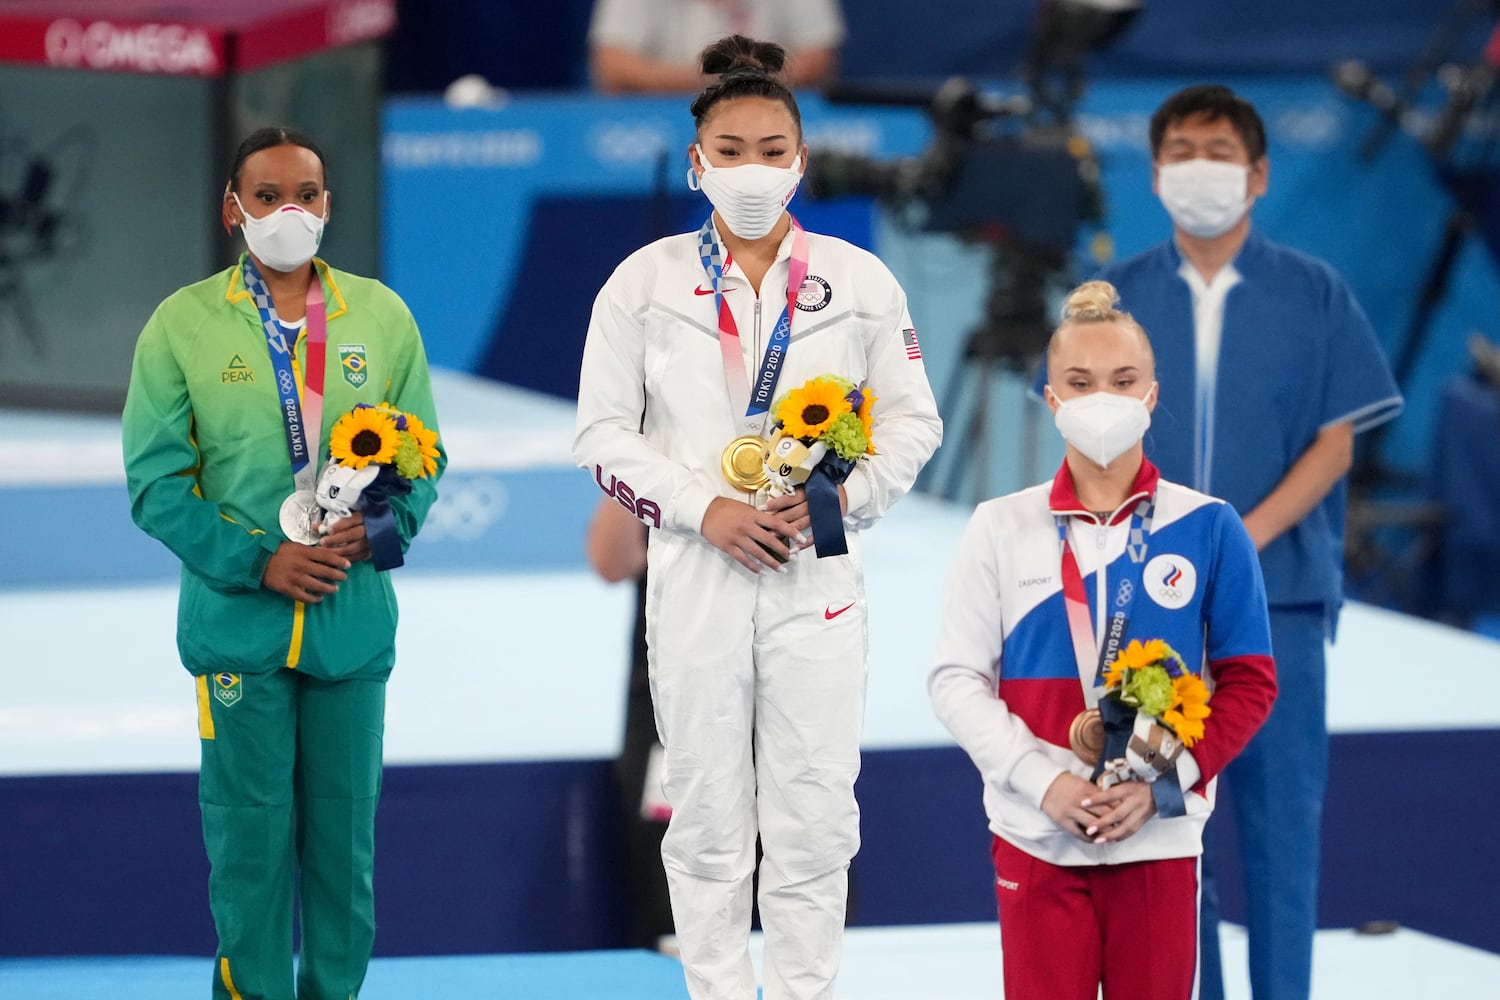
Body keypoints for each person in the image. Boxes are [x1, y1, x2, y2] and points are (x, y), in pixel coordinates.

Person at [573, 35, 941, 1000]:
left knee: (816, 814)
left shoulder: (859, 282)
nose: (752, 168)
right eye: (730, 148)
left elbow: (913, 421)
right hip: (695, 577)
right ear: (697, 163)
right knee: (702, 816)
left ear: (802, 161)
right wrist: (707, 511)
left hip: (814, 575)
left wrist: (839, 502)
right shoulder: (642, 283)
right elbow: (602, 436)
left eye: (772, 148)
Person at [1031, 85, 1402, 1000]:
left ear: (1258, 173)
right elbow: (1084, 422)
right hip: (1142, 608)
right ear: (1156, 176)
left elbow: (1337, 439)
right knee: (1164, 830)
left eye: (1219, 149)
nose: (1202, 165)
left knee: (1281, 834)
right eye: (1183, 149)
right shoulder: (1118, 302)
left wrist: (1234, 540)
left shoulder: (1314, 291)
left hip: (1277, 597)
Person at [122, 127, 444, 1000]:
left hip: (351, 618)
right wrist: (259, 562)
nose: (288, 211)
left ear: (328, 206)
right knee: (250, 850)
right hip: (239, 625)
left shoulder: (381, 317)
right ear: (234, 209)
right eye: (267, 196)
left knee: (345, 858)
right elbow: (154, 485)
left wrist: (375, 533)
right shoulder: (182, 324)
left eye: (306, 193)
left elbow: (425, 460)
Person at [932, 280, 1278, 999]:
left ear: (1152, 395)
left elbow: (1250, 683)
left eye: (1123, 382)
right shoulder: (1000, 526)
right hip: (1035, 833)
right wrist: (1044, 782)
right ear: (1051, 399)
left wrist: (1164, 789)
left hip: (1157, 837)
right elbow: (955, 680)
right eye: (1080, 383)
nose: (1103, 400)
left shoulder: (1211, 526)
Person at [585, 495, 677, 952]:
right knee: (667, 889)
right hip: (668, 696)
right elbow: (612, 562)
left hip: (779, 682)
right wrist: (626, 462)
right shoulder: (658, 441)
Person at [587, 0, 844, 93]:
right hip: (663, 123)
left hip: (770, 113)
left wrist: (737, 82)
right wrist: (730, 78)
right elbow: (614, 67)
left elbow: (816, 62)